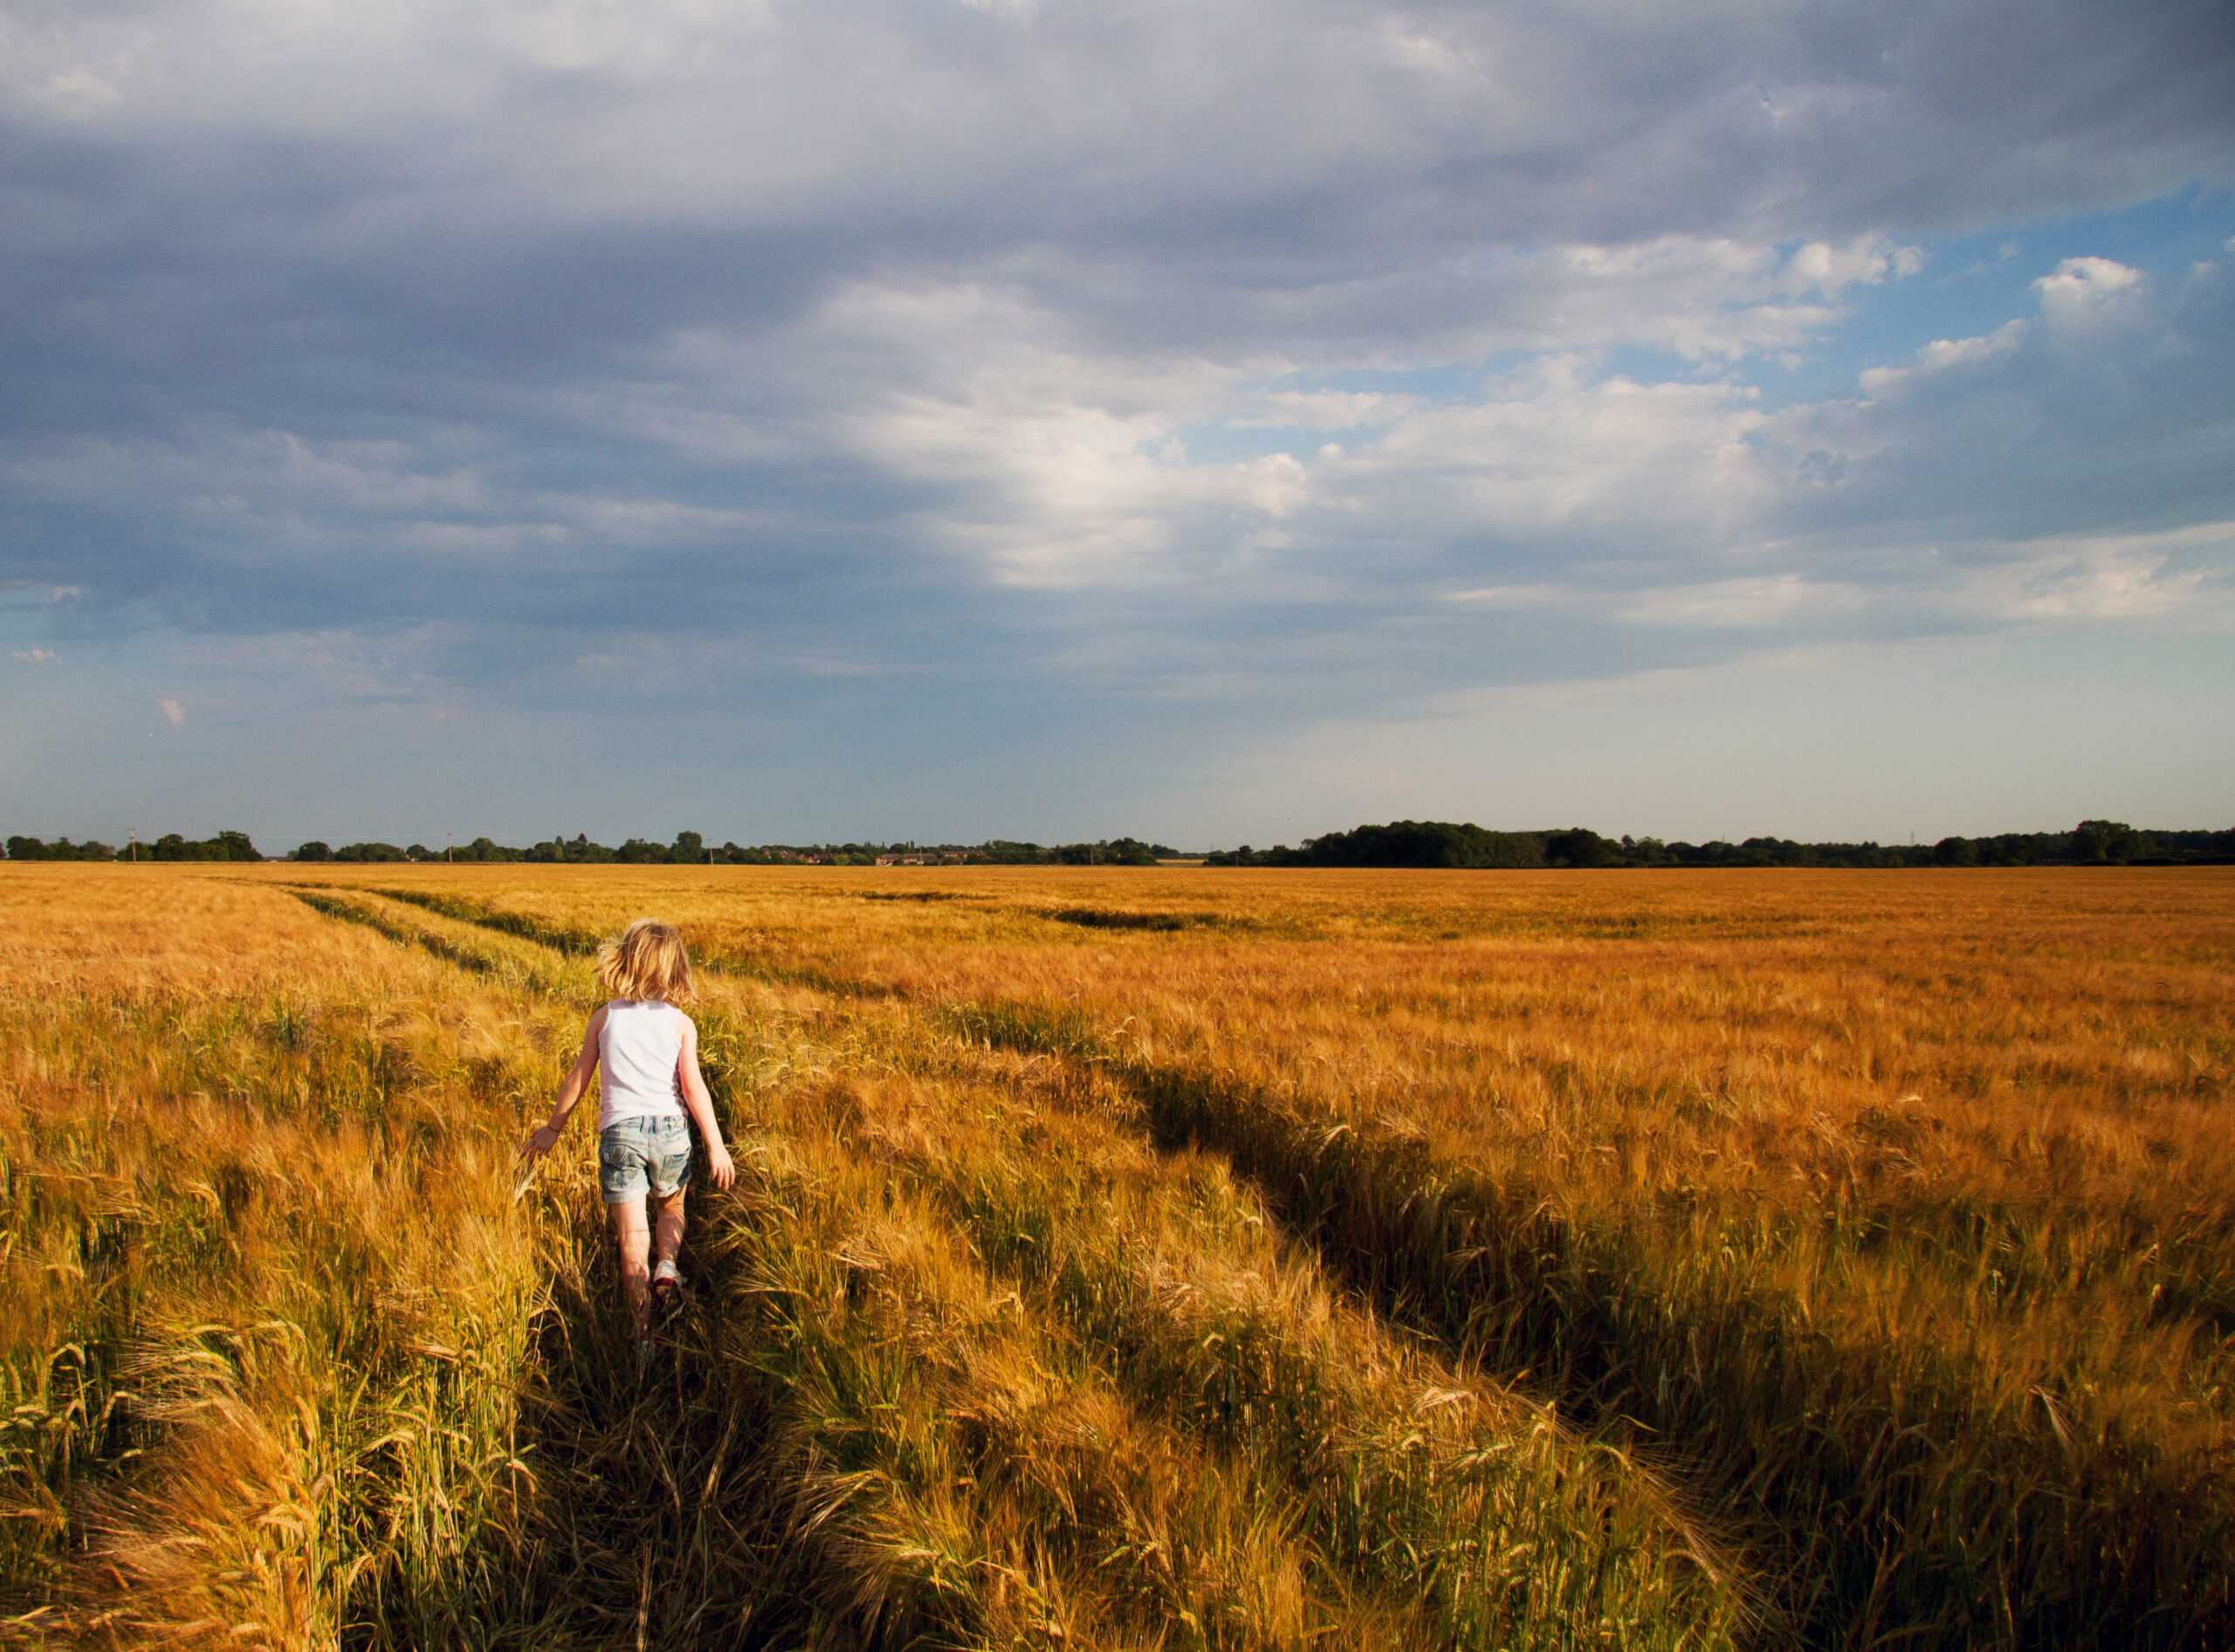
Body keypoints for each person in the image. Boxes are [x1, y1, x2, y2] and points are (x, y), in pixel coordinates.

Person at [520, 918, 736, 1368]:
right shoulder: (681, 1024)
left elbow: (578, 1078)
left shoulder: (605, 1017)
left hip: (620, 1134)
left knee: (630, 1241)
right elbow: (694, 1088)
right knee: (671, 1207)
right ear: (676, 969)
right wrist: (715, 1144)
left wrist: (553, 1128)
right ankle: (668, 1267)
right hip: (671, 1132)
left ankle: (642, 1342)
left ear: (626, 961)